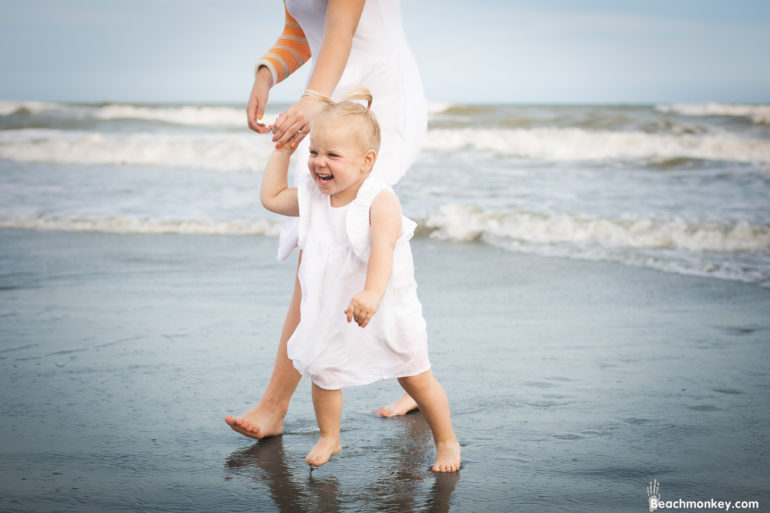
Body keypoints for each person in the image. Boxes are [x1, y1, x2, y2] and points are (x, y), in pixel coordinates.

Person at [226, 0, 425, 440]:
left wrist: (313, 99)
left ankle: (274, 406)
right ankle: (415, 374)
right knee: (326, 245)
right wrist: (265, 75)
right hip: (331, 97)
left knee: (332, 242)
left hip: (375, 99)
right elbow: (301, 33)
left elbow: (340, 31)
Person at [259, 88, 461, 472]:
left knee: (414, 375)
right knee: (323, 369)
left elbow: (383, 248)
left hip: (383, 305)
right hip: (333, 305)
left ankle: (447, 442)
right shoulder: (313, 195)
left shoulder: (378, 199)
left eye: (332, 155)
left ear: (367, 161)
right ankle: (329, 436)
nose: (319, 162)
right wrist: (283, 149)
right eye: (315, 152)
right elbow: (270, 198)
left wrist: (371, 292)